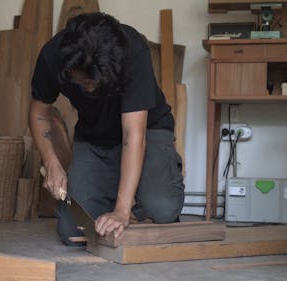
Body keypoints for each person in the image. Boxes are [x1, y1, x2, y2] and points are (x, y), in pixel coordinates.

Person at [29, 12, 184, 246]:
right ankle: (121, 195)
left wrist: (121, 211)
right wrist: (51, 162)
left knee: (161, 209)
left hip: (147, 132)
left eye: (94, 82)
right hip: (95, 138)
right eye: (83, 82)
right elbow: (38, 113)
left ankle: (139, 198)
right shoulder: (53, 55)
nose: (89, 89)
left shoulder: (132, 50)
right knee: (75, 231)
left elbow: (133, 135)